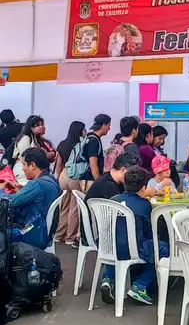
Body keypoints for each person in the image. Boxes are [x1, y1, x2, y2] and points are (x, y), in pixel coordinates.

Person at [98, 167, 169, 305]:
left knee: (117, 242)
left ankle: (107, 279)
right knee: (163, 248)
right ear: (143, 188)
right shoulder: (144, 204)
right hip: (133, 250)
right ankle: (140, 286)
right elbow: (149, 231)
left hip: (109, 248)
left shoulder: (113, 200)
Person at [0, 148, 61, 250]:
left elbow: (10, 202)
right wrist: (21, 191)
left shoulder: (37, 184)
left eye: (24, 164)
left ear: (32, 165)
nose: (23, 169)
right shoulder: (51, 180)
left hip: (31, 233)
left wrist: (1, 190)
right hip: (41, 231)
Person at [54, 121, 87, 245]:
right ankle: (70, 237)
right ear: (80, 131)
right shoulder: (82, 145)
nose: (85, 132)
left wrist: (59, 177)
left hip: (64, 174)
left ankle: (59, 235)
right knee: (74, 208)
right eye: (84, 130)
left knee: (64, 206)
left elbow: (58, 163)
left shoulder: (62, 144)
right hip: (75, 176)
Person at [10, 115, 56, 186]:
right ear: (30, 127)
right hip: (23, 168)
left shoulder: (35, 138)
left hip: (32, 168)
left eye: (41, 125)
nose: (40, 127)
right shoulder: (25, 138)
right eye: (37, 125)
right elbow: (25, 157)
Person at [82, 114, 113, 186]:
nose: (109, 129)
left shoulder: (89, 137)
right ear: (103, 125)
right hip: (90, 180)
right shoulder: (93, 141)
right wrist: (99, 183)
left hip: (86, 179)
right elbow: (93, 164)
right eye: (109, 125)